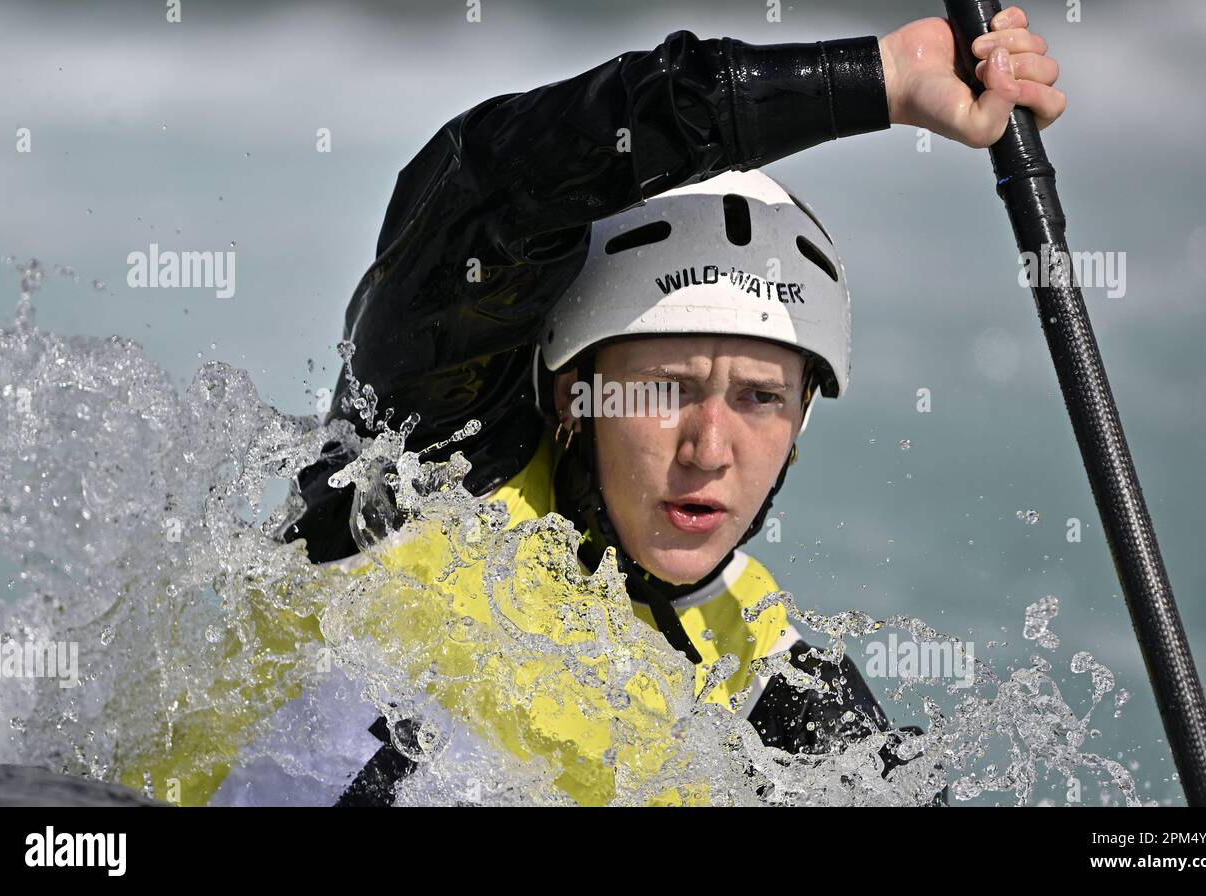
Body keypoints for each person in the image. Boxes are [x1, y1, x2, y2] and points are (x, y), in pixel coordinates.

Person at [124, 8, 1064, 806]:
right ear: (576, 391)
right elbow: (494, 184)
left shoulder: (756, 665)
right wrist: (871, 81)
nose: (711, 446)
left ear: (802, 421)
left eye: (760, 399)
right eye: (664, 388)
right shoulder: (426, 467)